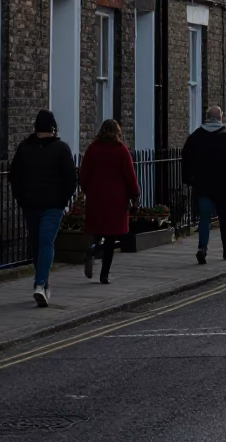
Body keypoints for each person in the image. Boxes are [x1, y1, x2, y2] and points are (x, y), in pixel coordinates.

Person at [9, 109, 77, 307]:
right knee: (46, 243)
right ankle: (40, 284)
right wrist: (63, 199)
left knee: (37, 244)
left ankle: (42, 285)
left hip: (30, 204)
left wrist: (20, 199)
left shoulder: (24, 148)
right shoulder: (61, 149)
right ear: (53, 128)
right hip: (53, 205)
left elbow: (14, 177)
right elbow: (71, 179)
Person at [181, 104, 226, 265]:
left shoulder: (195, 136)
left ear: (207, 117)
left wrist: (189, 179)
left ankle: (202, 248)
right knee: (224, 218)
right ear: (220, 117)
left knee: (204, 218)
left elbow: (186, 157)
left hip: (203, 185)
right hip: (225, 186)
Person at [79, 119, 140, 284]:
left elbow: (83, 175)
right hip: (116, 201)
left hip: (96, 198)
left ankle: (93, 249)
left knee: (98, 232)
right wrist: (135, 195)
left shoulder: (92, 149)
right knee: (111, 239)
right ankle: (104, 275)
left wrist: (87, 190)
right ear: (117, 132)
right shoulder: (121, 151)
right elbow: (130, 178)